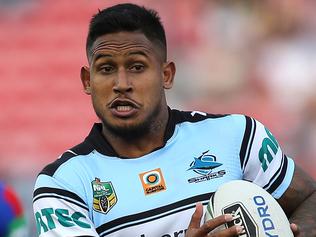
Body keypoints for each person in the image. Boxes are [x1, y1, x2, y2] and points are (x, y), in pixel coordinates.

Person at [32, 3, 316, 237]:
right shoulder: (63, 185)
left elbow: (308, 197)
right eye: (106, 69)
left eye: (137, 67)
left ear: (166, 75)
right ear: (87, 80)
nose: (121, 83)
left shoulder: (237, 136)